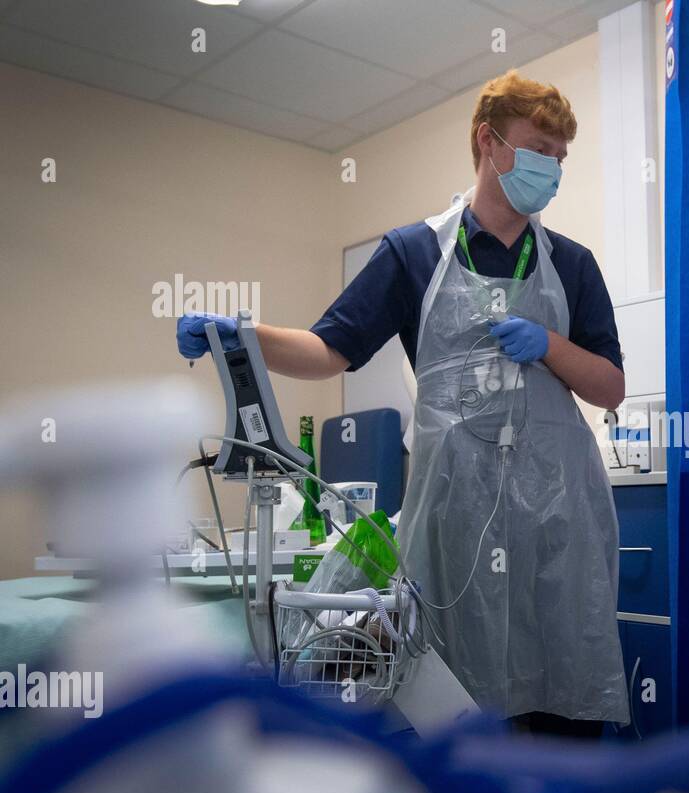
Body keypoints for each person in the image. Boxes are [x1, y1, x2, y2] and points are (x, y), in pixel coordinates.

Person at [177, 71, 629, 738]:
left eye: (560, 159)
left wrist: (550, 346)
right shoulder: (414, 253)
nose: (552, 170)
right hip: (454, 518)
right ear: (490, 141)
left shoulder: (572, 263)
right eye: (540, 150)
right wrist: (240, 336)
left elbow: (609, 387)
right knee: (456, 702)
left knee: (560, 695)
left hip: (557, 519)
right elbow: (328, 349)